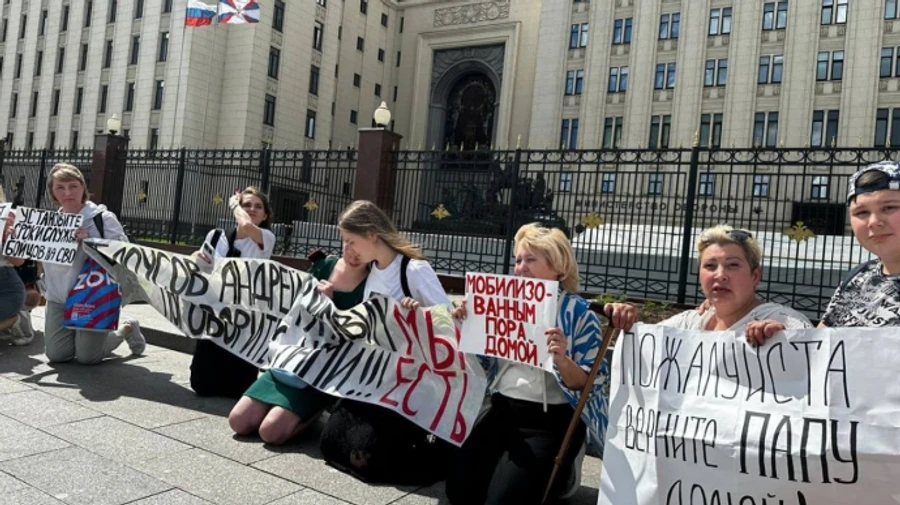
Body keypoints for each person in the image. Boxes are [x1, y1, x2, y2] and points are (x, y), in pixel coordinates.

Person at [446, 223, 636, 505]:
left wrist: (562, 359)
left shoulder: (580, 315)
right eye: (518, 260)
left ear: (558, 267)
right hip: (502, 410)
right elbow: (484, 364)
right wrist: (466, 325)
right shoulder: (500, 304)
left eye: (531, 259)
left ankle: (563, 470)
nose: (520, 267)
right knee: (459, 492)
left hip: (548, 420)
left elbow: (588, 384)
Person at [318, 199, 456, 485]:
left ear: (371, 235)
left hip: (410, 384)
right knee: (330, 442)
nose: (349, 250)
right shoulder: (373, 271)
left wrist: (419, 317)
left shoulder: (413, 270)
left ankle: (437, 454)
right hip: (376, 376)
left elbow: (450, 323)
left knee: (364, 457)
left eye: (351, 241)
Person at [228, 246, 368, 444]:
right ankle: (286, 410)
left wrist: (327, 307)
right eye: (349, 242)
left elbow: (359, 336)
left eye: (361, 245)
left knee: (271, 432)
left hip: (322, 370)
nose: (354, 252)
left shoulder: (373, 282)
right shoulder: (325, 265)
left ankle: (314, 411)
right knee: (238, 422)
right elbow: (296, 310)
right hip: (292, 358)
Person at [41, 164, 145, 365]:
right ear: (52, 192)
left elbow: (124, 254)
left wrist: (91, 241)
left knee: (88, 357)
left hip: (93, 296)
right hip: (58, 296)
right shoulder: (48, 222)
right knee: (57, 355)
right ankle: (78, 333)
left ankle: (127, 328)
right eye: (60, 187)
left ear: (83, 188)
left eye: (73, 186)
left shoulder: (102, 218)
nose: (68, 192)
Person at [190, 186, 277, 398]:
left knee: (237, 387)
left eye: (258, 207)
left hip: (244, 313)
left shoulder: (265, 238)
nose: (252, 209)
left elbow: (246, 225)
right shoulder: (216, 235)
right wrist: (196, 259)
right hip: (215, 310)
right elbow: (199, 259)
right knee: (201, 384)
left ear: (265, 215)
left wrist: (235, 205)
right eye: (247, 204)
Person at [666, 224, 812, 339]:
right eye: (710, 266)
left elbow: (816, 360)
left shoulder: (785, 322)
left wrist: (789, 342)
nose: (720, 275)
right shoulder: (687, 324)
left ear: (755, 276)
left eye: (733, 265)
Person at [820, 161, 900, 327]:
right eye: (862, 212)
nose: (874, 222)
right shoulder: (859, 276)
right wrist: (784, 338)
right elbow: (821, 340)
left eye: (889, 207)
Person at [0, 187, 27, 343]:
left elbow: (18, 262)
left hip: (6, 286)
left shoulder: (8, 217)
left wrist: (12, 240)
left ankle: (15, 320)